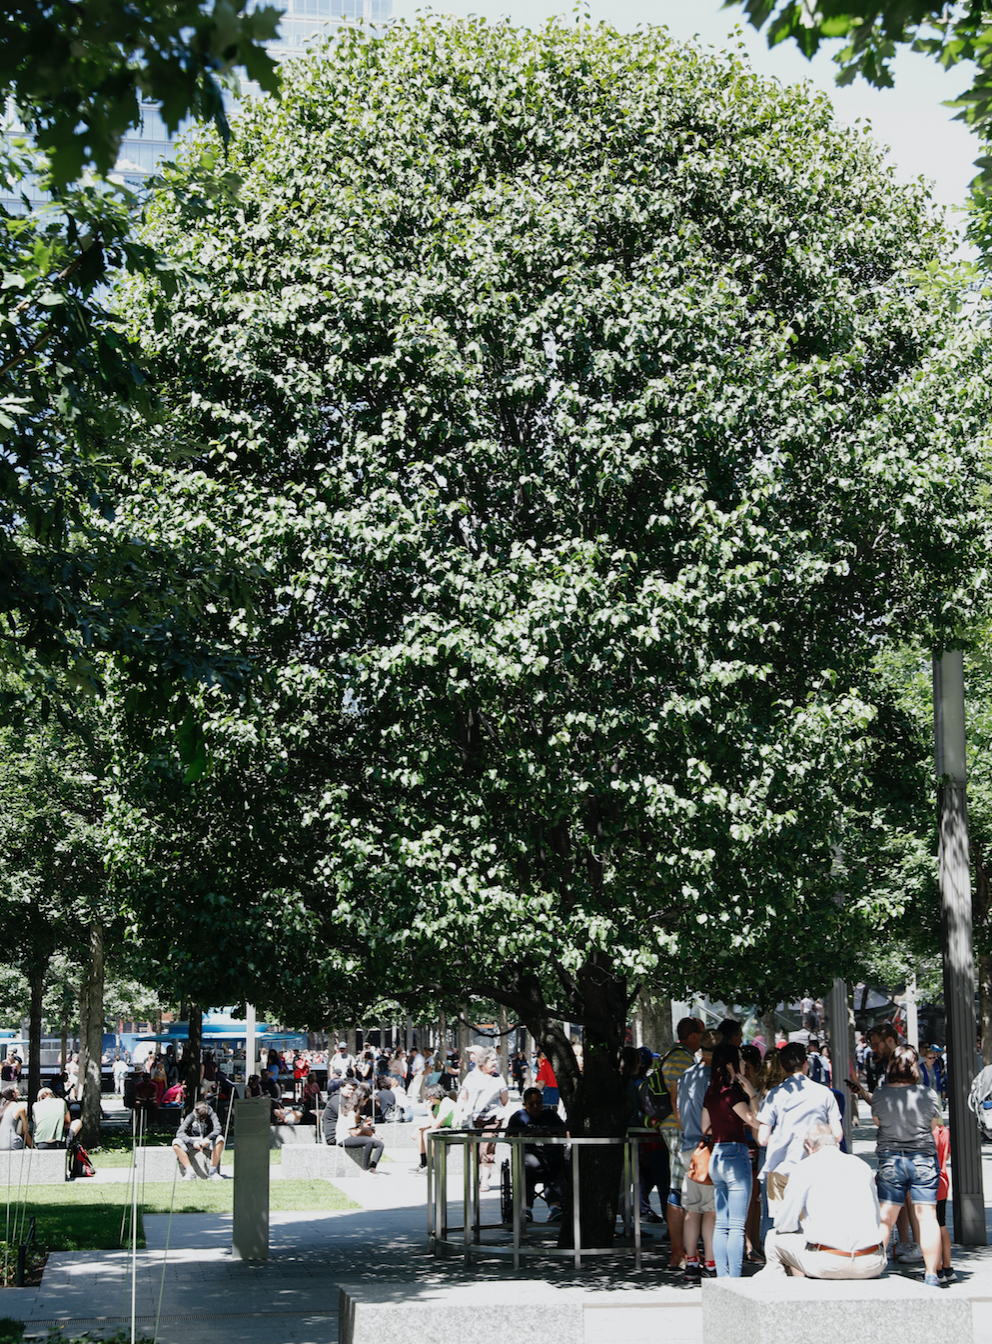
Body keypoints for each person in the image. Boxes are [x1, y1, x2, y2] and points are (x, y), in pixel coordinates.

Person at [757, 1123, 886, 1279]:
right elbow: (876, 1219)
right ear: (837, 1144)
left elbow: (785, 1223)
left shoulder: (804, 1167)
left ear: (808, 1147)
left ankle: (785, 1295)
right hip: (872, 1261)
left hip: (829, 1262)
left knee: (773, 1239)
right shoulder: (862, 1166)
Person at [872, 1044, 943, 1287]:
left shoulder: (880, 1094)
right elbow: (934, 1127)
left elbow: (878, 1122)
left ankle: (874, 1268)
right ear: (915, 1066)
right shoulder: (928, 1094)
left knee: (886, 1218)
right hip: (923, 1159)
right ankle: (931, 1273)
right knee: (927, 1217)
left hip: (891, 1159)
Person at [757, 1041, 842, 1221]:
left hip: (781, 1168)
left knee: (778, 1221)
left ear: (781, 1066)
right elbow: (838, 1134)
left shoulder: (774, 1094)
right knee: (815, 1218)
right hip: (816, 1167)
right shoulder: (824, 1093)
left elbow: (762, 1139)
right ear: (805, 1064)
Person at [647, 1016, 704, 1270]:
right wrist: (688, 1129)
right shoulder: (682, 1058)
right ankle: (679, 1252)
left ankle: (681, 1250)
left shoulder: (670, 1053)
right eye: (701, 1034)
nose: (702, 1039)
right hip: (678, 1130)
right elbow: (677, 1099)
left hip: (669, 1127)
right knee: (679, 1189)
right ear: (692, 1036)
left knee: (679, 1189)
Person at [701, 1042, 760, 1277]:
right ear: (729, 1064)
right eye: (740, 1059)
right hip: (736, 1155)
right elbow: (755, 1120)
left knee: (722, 1223)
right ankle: (734, 1279)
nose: (744, 1063)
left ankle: (723, 1277)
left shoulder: (712, 1092)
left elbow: (704, 1126)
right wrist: (752, 1094)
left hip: (716, 1155)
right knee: (736, 1225)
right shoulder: (733, 1093)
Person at [678, 1029, 720, 1283]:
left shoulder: (686, 1075)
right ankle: (711, 1263)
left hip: (687, 1147)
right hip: (709, 1148)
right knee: (711, 1211)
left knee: (691, 1210)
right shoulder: (715, 1079)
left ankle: (691, 1260)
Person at [505, 1086, 567, 1220]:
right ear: (524, 1104)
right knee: (523, 1169)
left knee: (558, 1168)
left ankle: (555, 1208)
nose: (535, 1107)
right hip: (527, 1160)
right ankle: (525, 1209)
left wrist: (550, 1135)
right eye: (531, 1104)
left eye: (538, 1103)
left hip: (550, 1160)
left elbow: (564, 1133)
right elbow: (509, 1138)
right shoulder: (518, 1117)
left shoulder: (550, 1115)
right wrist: (528, 1136)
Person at [457, 1048, 508, 1192]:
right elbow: (463, 1096)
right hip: (473, 1119)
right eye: (492, 1060)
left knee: (487, 1148)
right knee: (476, 1149)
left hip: (493, 1118)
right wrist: (458, 1113)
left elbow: (504, 1100)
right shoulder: (471, 1077)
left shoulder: (498, 1078)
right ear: (483, 1062)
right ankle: (482, 1173)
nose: (495, 1063)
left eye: (495, 1060)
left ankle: (485, 1180)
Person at [336, 1083, 384, 1172]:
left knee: (380, 1144)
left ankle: (373, 1167)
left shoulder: (354, 1110)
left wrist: (371, 1128)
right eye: (366, 1101)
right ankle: (365, 1169)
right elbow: (354, 1133)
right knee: (369, 1141)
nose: (366, 1103)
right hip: (344, 1138)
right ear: (362, 1099)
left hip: (350, 1136)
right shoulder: (350, 1112)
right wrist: (363, 1125)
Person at [173, 1101, 226, 1180]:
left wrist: (208, 1138)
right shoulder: (191, 1116)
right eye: (200, 1118)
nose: (202, 1120)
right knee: (176, 1143)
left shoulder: (212, 1114)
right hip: (193, 1141)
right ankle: (190, 1172)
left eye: (204, 1117)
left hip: (208, 1140)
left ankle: (212, 1172)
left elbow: (218, 1129)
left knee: (220, 1139)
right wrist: (192, 1142)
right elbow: (180, 1132)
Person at [411, 1083, 457, 1171]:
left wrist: (428, 1109)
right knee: (421, 1132)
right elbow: (432, 1120)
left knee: (427, 1133)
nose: (429, 1099)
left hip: (454, 1129)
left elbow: (435, 1125)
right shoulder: (438, 1105)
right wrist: (418, 1128)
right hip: (445, 1128)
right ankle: (423, 1163)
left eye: (430, 1096)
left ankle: (431, 1165)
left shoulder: (446, 1103)